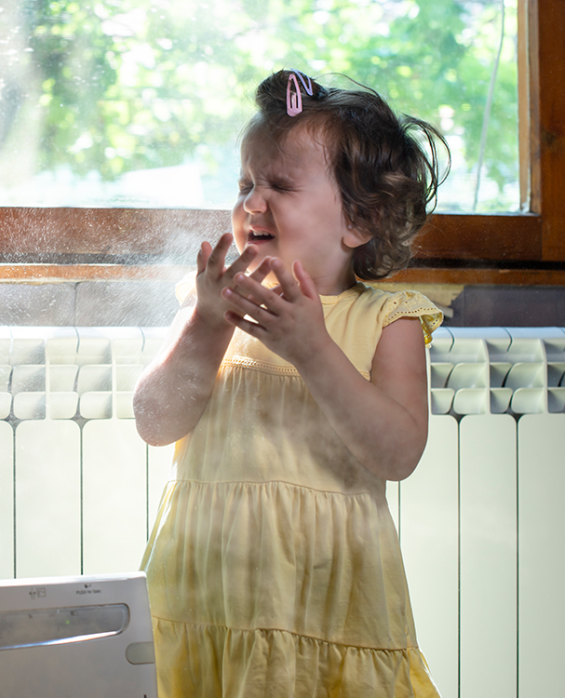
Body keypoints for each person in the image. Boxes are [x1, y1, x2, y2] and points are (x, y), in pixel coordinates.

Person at [133, 69, 448, 698]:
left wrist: (314, 351)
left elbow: (398, 453)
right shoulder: (213, 306)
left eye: (280, 184)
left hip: (328, 602)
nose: (253, 203)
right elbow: (155, 420)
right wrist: (205, 325)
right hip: (202, 599)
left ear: (359, 221)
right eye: (247, 183)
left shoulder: (388, 322)